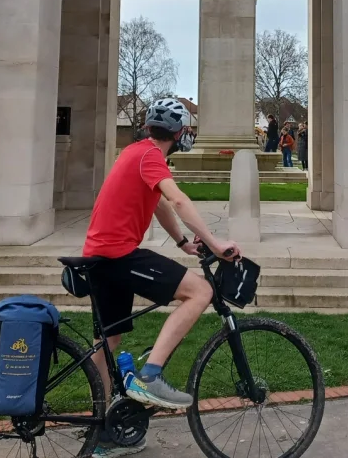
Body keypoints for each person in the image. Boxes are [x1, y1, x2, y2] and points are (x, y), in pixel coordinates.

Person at [82, 97, 241, 452]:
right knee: (200, 292)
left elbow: (160, 205)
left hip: (97, 257)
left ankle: (101, 434)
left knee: (107, 343)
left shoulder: (133, 152)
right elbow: (179, 200)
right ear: (181, 132)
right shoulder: (151, 156)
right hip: (119, 255)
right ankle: (151, 376)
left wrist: (185, 242)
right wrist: (215, 243)